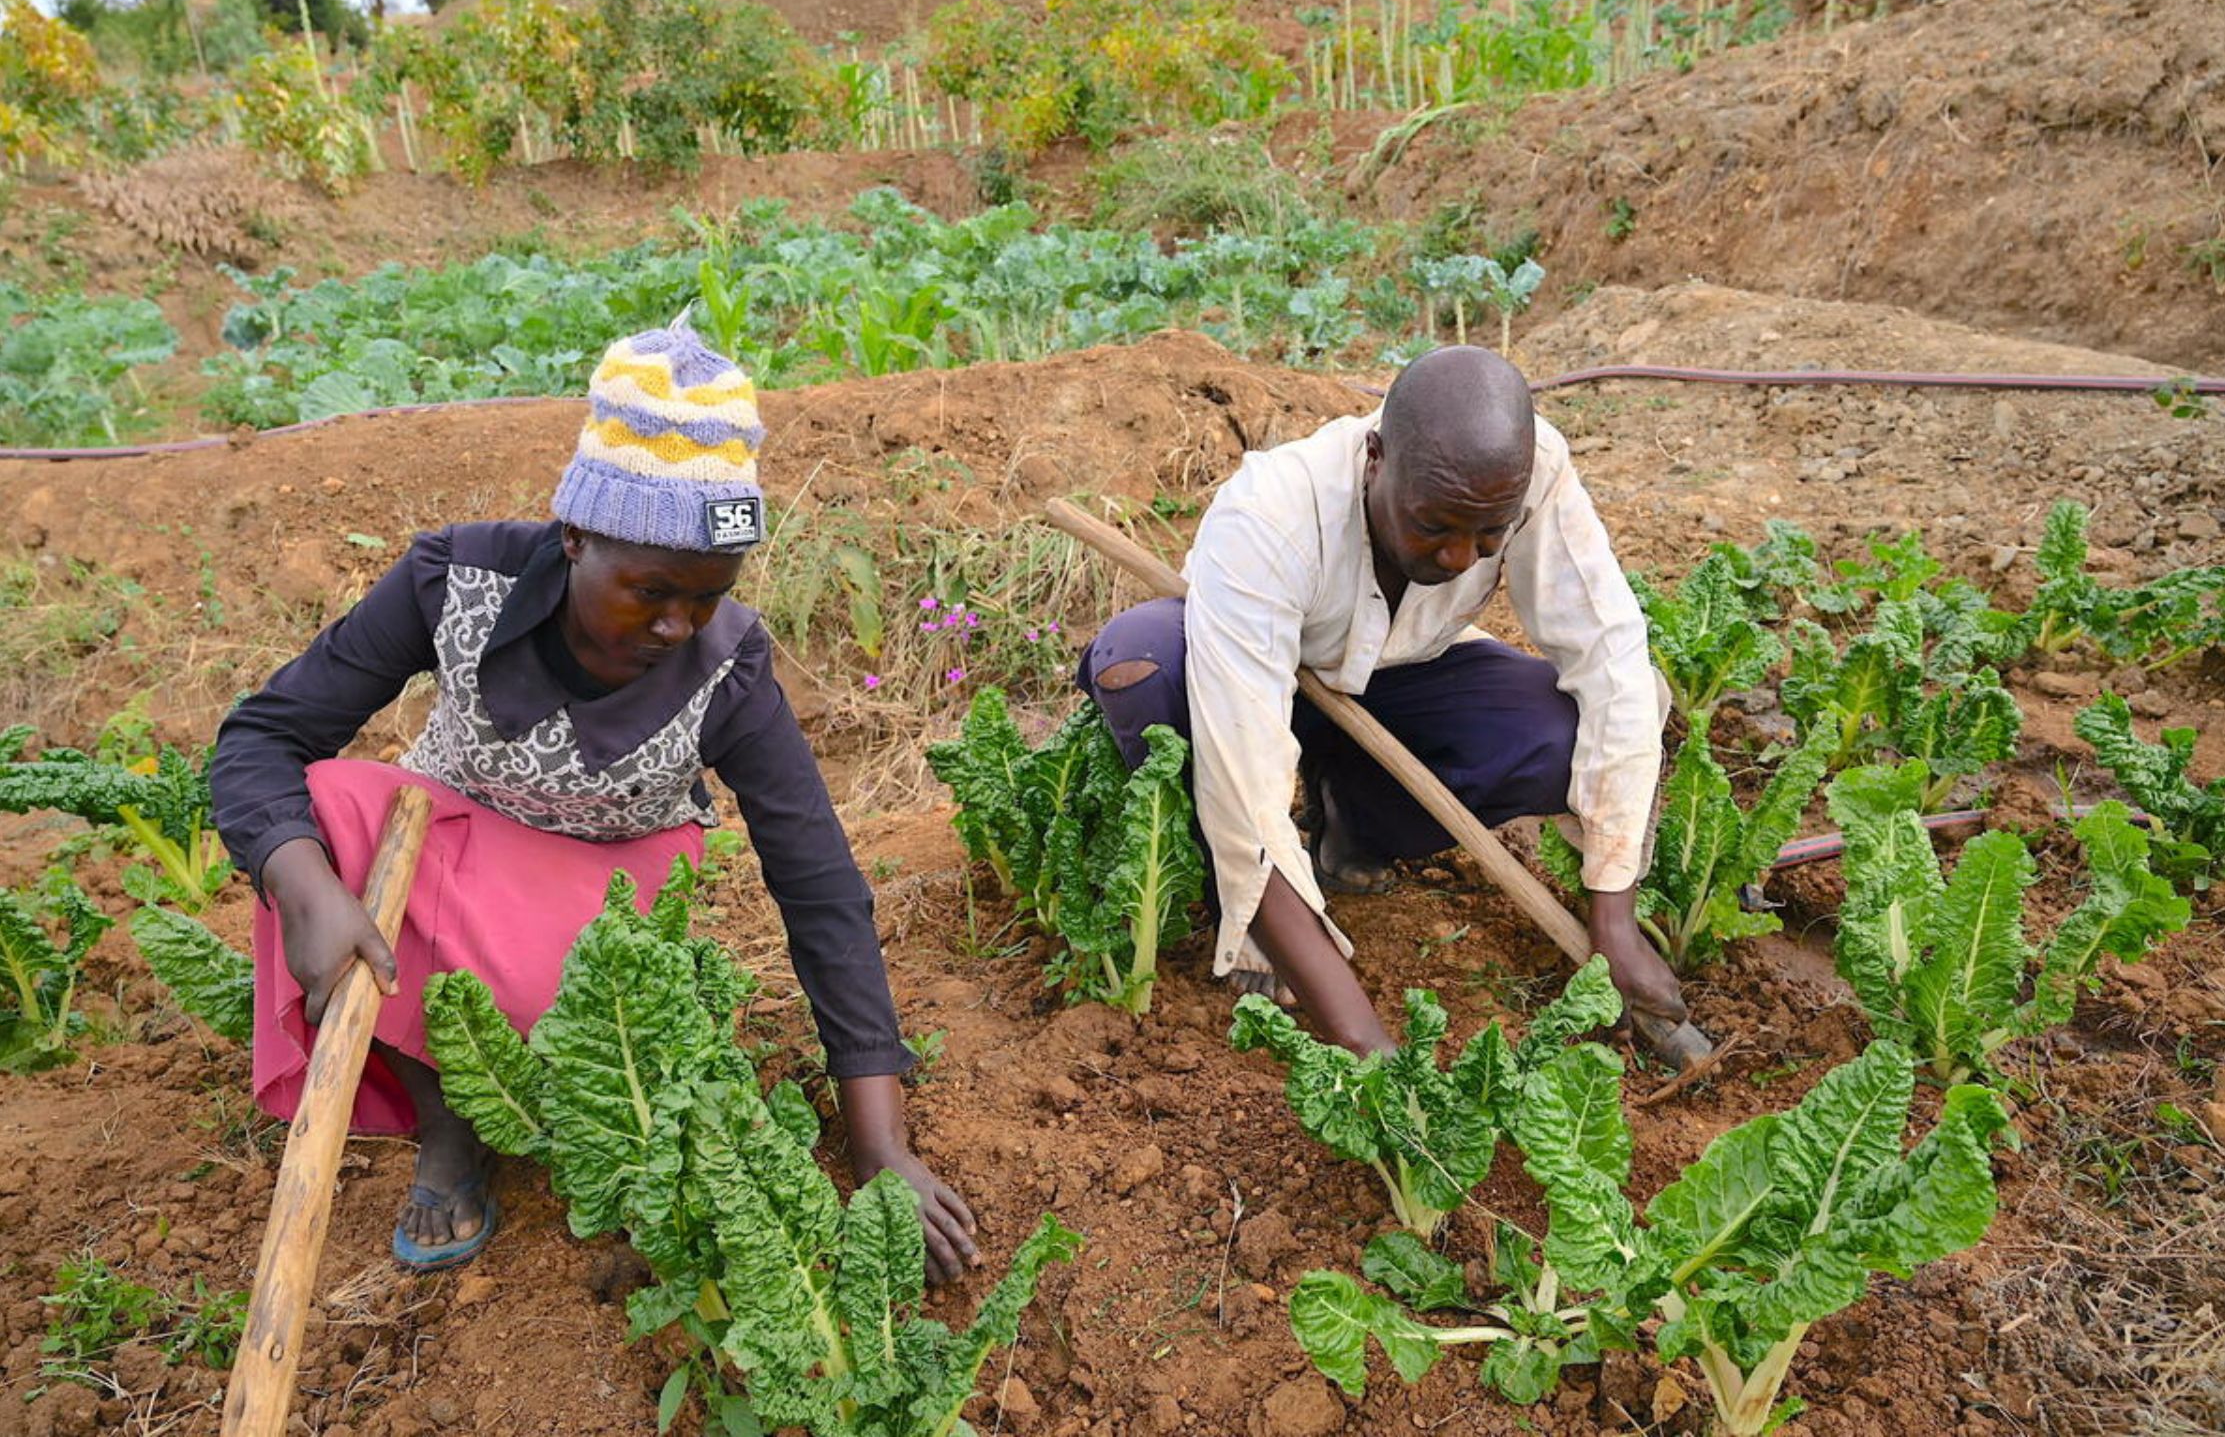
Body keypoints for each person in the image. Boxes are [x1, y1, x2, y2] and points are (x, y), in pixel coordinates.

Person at [211, 321, 979, 1277]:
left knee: (577, 1021)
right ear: (574, 537)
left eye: (706, 596)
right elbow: (262, 739)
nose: (675, 625)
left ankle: (501, 1083)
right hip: (449, 841)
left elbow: (820, 889)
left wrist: (879, 1146)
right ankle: (447, 1124)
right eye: (651, 591)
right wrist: (306, 890)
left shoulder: (727, 667)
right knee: (322, 808)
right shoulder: (455, 581)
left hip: (608, 888)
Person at [1076, 345, 1687, 1057]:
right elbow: (1241, 779)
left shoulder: (1531, 471)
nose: (1459, 559)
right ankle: (1245, 916)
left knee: (1561, 732)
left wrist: (1612, 916)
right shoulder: (1271, 514)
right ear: (1375, 458)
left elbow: (1611, 658)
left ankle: (1355, 824)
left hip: (1394, 679)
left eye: (1487, 535)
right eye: (1434, 527)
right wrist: (1368, 1045)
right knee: (1142, 663)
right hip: (1232, 681)